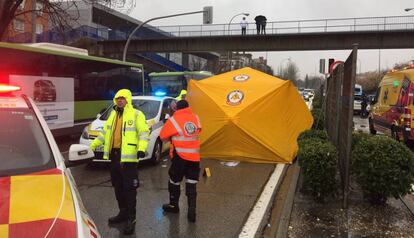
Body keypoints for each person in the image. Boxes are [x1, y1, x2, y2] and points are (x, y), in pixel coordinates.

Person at [90, 89, 149, 235]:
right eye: (117, 99)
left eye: (122, 98)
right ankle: (122, 213)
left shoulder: (136, 114)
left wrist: (141, 148)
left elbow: (144, 132)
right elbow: (104, 134)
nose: (120, 101)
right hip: (114, 157)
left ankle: (131, 218)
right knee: (118, 187)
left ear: (128, 100)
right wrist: (91, 146)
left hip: (128, 159)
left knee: (129, 189)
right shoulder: (112, 115)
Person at [160, 100, 202, 222]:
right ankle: (192, 211)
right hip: (194, 157)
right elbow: (197, 131)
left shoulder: (173, 120)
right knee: (192, 182)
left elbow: (163, 137)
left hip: (180, 156)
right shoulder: (196, 118)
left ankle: (174, 206)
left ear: (176, 108)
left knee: (174, 181)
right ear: (188, 107)